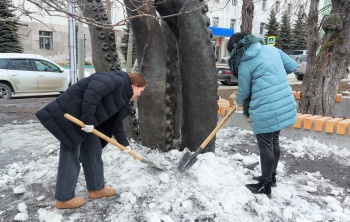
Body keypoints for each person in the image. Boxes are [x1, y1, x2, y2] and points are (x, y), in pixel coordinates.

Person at [35, 71, 146, 209]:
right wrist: (87, 120)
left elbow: (116, 122)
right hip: (71, 113)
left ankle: (96, 189)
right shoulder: (116, 80)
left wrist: (125, 144)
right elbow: (92, 93)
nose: (139, 95)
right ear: (135, 85)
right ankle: (64, 198)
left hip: (87, 121)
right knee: (71, 155)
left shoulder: (123, 98)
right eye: (140, 90)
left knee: (93, 150)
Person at [227, 32, 298, 197]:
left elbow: (244, 91)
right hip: (284, 102)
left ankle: (264, 185)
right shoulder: (271, 49)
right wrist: (274, 78)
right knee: (274, 141)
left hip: (265, 107)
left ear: (236, 50)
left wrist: (237, 101)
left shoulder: (245, 63)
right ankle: (271, 178)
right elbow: (292, 66)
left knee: (266, 145)